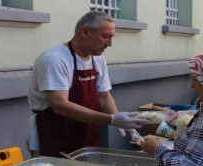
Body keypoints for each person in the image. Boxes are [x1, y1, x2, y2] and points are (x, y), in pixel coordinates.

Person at [26, 11, 148, 157]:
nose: (110, 44)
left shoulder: (98, 59)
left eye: (111, 37)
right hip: (54, 133)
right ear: (85, 32)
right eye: (106, 37)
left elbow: (103, 95)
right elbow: (60, 106)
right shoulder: (54, 59)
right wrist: (112, 120)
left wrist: (123, 122)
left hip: (86, 134)